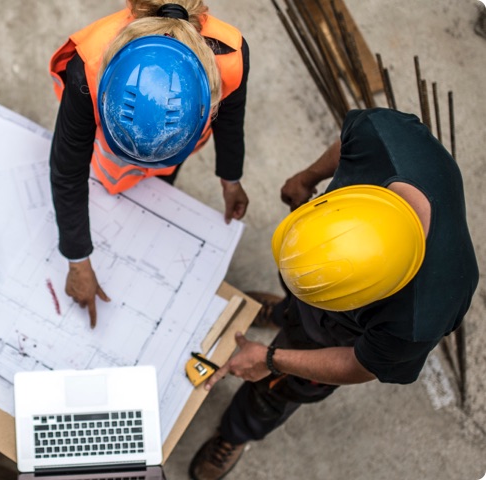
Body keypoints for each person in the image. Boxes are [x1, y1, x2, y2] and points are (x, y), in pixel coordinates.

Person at [189, 107, 479, 480]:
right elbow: (347, 144)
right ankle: (284, 312)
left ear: (367, 299)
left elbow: (360, 364)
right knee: (298, 303)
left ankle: (236, 432)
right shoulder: (384, 138)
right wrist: (307, 177)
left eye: (321, 296)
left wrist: (273, 359)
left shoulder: (422, 316)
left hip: (336, 337)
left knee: (276, 391)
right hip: (330, 276)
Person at [49, 0, 250, 327]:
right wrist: (77, 259)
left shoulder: (230, 56)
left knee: (155, 190)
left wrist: (231, 177)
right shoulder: (89, 66)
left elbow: (231, 122)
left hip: (172, 150)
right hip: (109, 157)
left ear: (207, 104)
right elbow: (68, 168)